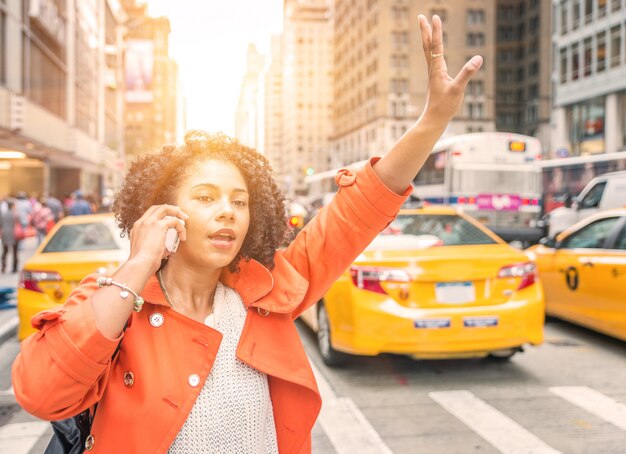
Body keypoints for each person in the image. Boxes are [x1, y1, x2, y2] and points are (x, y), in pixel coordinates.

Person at [12, 15, 481, 453]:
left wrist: (433, 120)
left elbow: (357, 212)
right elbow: (42, 393)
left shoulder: (266, 292)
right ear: (163, 210)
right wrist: (137, 265)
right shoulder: (112, 300)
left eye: (239, 201)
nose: (228, 212)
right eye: (206, 197)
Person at [0, 199, 21, 273]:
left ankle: (3, 266)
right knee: (15, 252)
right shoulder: (16, 214)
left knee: (5, 251)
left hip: (5, 234)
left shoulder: (3, 214)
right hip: (14, 234)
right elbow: (20, 223)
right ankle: (14, 267)